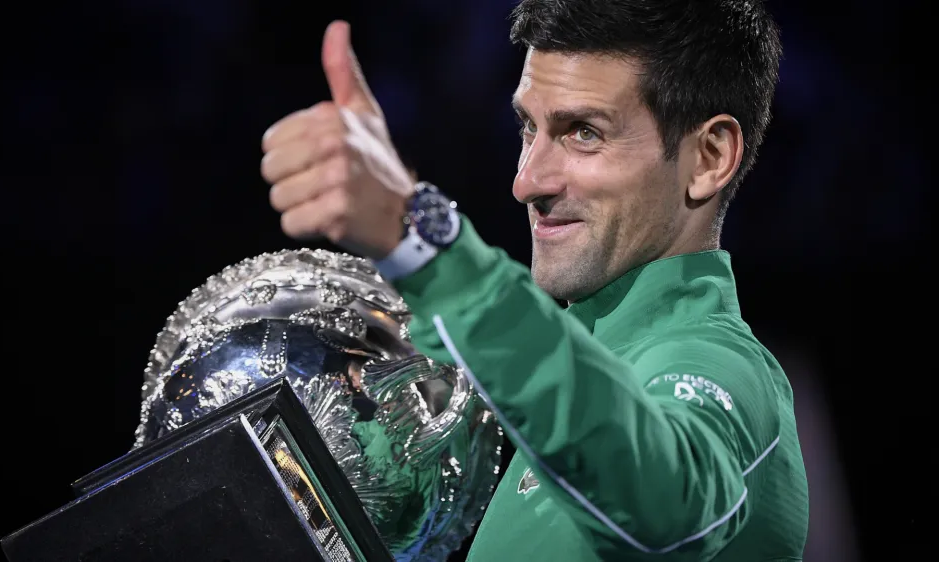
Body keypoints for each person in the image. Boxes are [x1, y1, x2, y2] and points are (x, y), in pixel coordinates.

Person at [259, 0, 809, 559]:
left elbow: (671, 511)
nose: (527, 182)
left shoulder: (716, 365)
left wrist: (424, 241)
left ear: (709, 158)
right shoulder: (560, 376)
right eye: (529, 127)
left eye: (583, 132)